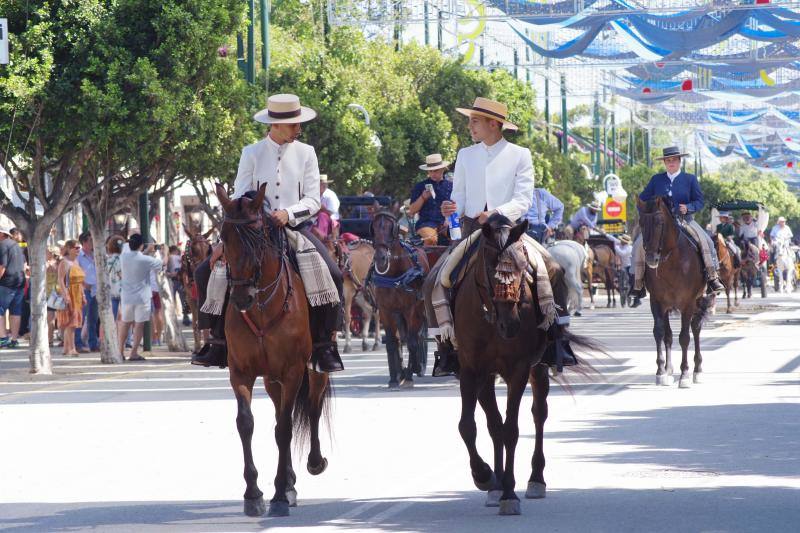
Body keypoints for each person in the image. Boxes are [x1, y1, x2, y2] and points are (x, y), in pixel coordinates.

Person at [192, 93, 344, 372]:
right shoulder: (251, 152)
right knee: (204, 272)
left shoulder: (307, 152)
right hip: (253, 231)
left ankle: (324, 346)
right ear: (275, 125)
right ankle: (216, 341)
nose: (299, 129)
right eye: (294, 125)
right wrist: (227, 240)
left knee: (333, 274)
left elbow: (313, 199)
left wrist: (288, 213)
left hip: (295, 228)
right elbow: (239, 196)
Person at [434, 96, 574, 376]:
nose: (470, 126)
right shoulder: (465, 155)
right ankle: (446, 347)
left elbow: (523, 200)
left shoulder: (520, 154)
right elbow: (459, 196)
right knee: (436, 279)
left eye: (475, 121)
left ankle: (557, 340)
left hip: (510, 233)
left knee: (555, 271)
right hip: (473, 232)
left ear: (493, 124)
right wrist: (451, 208)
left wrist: (496, 213)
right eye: (470, 121)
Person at [629, 146, 724, 307]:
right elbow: (642, 201)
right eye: (668, 160)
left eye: (674, 160)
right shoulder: (656, 180)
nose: (671, 163)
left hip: (685, 219)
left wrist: (689, 207)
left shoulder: (690, 179)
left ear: (679, 161)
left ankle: (712, 277)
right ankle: (637, 283)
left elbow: (699, 201)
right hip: (660, 223)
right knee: (638, 244)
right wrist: (648, 214)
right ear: (664, 163)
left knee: (706, 240)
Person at [119, 234, 163, 361]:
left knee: (125, 324)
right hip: (142, 297)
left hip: (127, 296)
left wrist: (144, 250)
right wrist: (164, 252)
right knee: (139, 325)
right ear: (141, 245)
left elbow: (134, 255)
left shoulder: (123, 257)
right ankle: (133, 352)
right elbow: (162, 264)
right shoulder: (146, 259)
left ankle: (120, 351)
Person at [408, 153, 453, 245]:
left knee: (460, 238)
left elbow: (458, 207)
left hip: (448, 222)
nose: (432, 174)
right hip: (426, 223)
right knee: (430, 239)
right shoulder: (420, 186)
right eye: (430, 171)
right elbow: (412, 210)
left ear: (443, 169)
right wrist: (423, 197)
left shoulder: (452, 186)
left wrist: (450, 220)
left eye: (435, 171)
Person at [56, 240, 86, 356]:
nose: (78, 250)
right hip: (69, 293)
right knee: (70, 323)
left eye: (79, 248)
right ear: (69, 248)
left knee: (74, 322)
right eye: (76, 248)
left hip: (77, 293)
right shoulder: (64, 262)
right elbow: (60, 280)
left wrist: (83, 295)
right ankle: (71, 348)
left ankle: (66, 348)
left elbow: (80, 282)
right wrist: (65, 295)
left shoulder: (76, 262)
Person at [0, 226, 27, 349]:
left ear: (1, 234)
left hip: (7, 283)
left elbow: (2, 266)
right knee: (15, 311)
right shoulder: (16, 245)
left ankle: (3, 339)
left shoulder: (2, 245)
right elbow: (24, 265)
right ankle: (14, 340)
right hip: (19, 282)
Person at [75, 232, 99, 353]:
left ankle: (93, 343)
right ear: (84, 242)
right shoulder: (79, 256)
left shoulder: (96, 254)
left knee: (93, 319)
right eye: (90, 240)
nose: (92, 243)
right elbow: (76, 273)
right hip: (85, 290)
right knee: (81, 317)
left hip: (96, 290)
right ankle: (78, 343)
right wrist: (84, 284)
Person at [105, 236, 124, 334]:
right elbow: (122, 276)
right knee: (125, 319)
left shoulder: (107, 260)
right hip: (123, 291)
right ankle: (126, 339)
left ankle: (112, 337)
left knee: (112, 318)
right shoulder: (124, 259)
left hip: (111, 291)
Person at [46, 246, 61, 346]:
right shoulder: (60, 264)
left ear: (51, 254)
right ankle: (62, 338)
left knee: (50, 318)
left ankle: (50, 340)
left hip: (50, 293)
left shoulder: (47, 265)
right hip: (59, 291)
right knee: (60, 317)